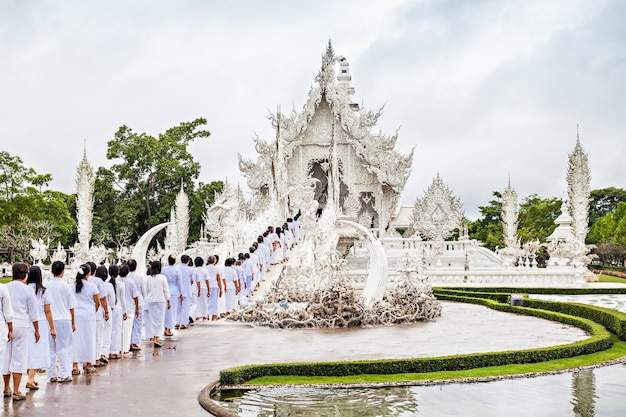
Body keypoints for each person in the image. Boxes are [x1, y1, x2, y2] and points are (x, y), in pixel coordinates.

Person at [2, 263, 39, 401]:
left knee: (6, 356)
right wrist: (37, 330)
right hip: (22, 325)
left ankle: (6, 388)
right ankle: (16, 391)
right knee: (19, 357)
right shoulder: (28, 290)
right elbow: (34, 313)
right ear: (26, 274)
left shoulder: (5, 288)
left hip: (7, 324)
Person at [25, 265, 56, 390]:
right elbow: (47, 310)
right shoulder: (43, 290)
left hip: (26, 321)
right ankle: (30, 378)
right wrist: (52, 328)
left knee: (28, 349)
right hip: (40, 322)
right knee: (37, 350)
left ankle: (31, 377)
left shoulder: (25, 289)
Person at [46, 261, 76, 383]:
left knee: (51, 349)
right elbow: (72, 307)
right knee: (64, 348)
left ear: (51, 271)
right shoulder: (67, 287)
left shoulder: (46, 286)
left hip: (50, 320)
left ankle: (52, 374)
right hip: (64, 319)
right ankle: (64, 374)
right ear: (63, 272)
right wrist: (73, 322)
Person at [72, 263, 100, 375]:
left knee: (76, 340)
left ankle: (74, 365)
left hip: (76, 315)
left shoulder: (72, 286)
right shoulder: (92, 287)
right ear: (88, 274)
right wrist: (93, 311)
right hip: (89, 316)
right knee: (89, 339)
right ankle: (88, 364)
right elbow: (97, 302)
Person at [143, 261, 170, 348]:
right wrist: (168, 300)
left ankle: (154, 336)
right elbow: (166, 290)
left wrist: (148, 297)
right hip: (160, 300)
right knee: (160, 320)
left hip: (151, 301)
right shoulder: (162, 278)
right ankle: (156, 338)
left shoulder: (148, 278)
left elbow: (145, 290)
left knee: (153, 320)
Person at [88, 262, 109, 368]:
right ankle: (96, 359)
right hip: (96, 312)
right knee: (98, 337)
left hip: (84, 314)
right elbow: (103, 298)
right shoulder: (98, 281)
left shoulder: (81, 281)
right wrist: (106, 311)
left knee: (88, 337)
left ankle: (87, 360)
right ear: (94, 271)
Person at [95, 265, 114, 366]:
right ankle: (103, 354)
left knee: (97, 335)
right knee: (106, 334)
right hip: (105, 309)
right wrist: (107, 311)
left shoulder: (91, 282)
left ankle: (95, 355)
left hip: (95, 310)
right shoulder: (107, 285)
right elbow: (109, 300)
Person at [119, 264, 138, 355]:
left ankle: (118, 349)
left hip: (119, 309)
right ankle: (125, 350)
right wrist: (137, 308)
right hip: (129, 308)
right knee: (127, 331)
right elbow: (135, 296)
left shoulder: (115, 281)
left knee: (118, 331)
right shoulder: (131, 282)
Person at [107, 264, 126, 360]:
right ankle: (114, 351)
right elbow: (123, 300)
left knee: (109, 331)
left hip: (110, 309)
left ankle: (108, 351)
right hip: (118, 309)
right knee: (117, 331)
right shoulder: (121, 285)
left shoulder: (106, 284)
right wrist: (125, 312)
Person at [127, 259, 145, 352]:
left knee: (129, 323)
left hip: (127, 302)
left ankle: (128, 342)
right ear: (136, 267)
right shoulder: (140, 277)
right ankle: (134, 342)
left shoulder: (125, 277)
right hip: (139, 301)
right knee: (137, 323)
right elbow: (143, 291)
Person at [0, 274, 13, 394]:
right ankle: (6, 387)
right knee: (3, 358)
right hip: (1, 328)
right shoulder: (2, 288)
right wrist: (10, 329)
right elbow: (8, 313)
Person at [162, 255, 181, 336]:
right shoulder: (177, 270)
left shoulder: (163, 270)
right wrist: (181, 293)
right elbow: (179, 283)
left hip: (164, 291)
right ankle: (168, 329)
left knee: (165, 311)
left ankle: (165, 328)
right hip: (173, 291)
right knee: (172, 311)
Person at [177, 255, 193, 329]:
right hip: (186, 290)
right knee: (185, 308)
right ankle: (183, 323)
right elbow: (192, 280)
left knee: (178, 308)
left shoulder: (177, 268)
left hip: (178, 290)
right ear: (188, 261)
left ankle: (177, 322)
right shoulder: (190, 269)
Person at [205, 255, 222, 321]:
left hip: (207, 286)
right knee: (214, 302)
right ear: (215, 261)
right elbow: (218, 279)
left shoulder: (205, 268)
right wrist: (221, 289)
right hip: (215, 286)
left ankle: (207, 314)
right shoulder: (216, 269)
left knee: (207, 301)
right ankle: (214, 316)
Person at [194, 257, 210, 321]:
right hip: (204, 287)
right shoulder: (205, 270)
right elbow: (207, 281)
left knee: (197, 302)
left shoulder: (194, 270)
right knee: (204, 302)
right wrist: (209, 290)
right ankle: (204, 315)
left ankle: (197, 315)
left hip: (196, 287)